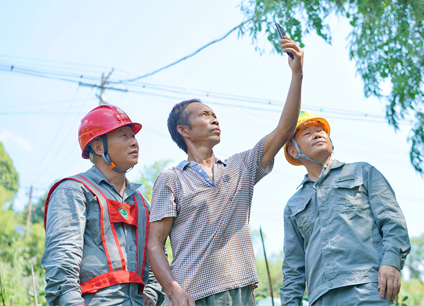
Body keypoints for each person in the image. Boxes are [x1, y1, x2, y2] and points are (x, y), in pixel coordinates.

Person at [147, 36, 304, 306]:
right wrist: (173, 290)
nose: (214, 118)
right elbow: (154, 244)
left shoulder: (241, 166)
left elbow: (284, 130)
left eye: (215, 114)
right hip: (194, 295)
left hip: (243, 292)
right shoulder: (171, 179)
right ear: (183, 131)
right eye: (204, 115)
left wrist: (297, 74)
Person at [280, 111, 411, 306]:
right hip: (321, 298)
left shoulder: (363, 172)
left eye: (321, 130)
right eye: (307, 133)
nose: (318, 135)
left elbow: (393, 221)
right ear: (293, 151)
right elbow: (293, 266)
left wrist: (391, 262)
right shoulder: (293, 205)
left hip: (369, 290)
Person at [41, 104, 163, 306]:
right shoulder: (74, 191)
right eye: (124, 135)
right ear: (98, 147)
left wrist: (151, 293)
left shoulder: (143, 204)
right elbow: (62, 257)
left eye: (133, 136)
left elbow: (157, 254)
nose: (134, 142)